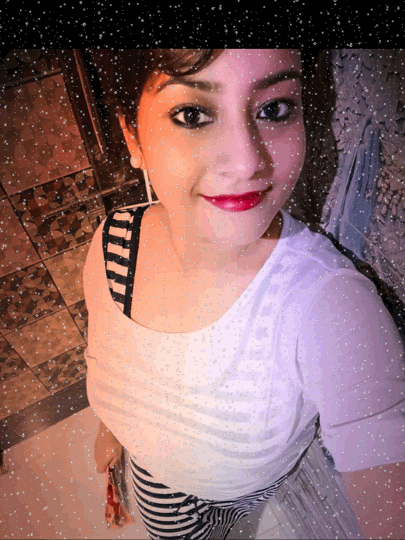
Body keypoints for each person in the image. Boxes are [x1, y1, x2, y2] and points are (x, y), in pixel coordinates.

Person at [83, 49, 405, 540]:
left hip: (249, 493)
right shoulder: (112, 241)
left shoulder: (334, 306)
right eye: (193, 115)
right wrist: (111, 427)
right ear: (133, 138)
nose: (247, 161)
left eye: (275, 108)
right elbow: (109, 352)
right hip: (155, 490)